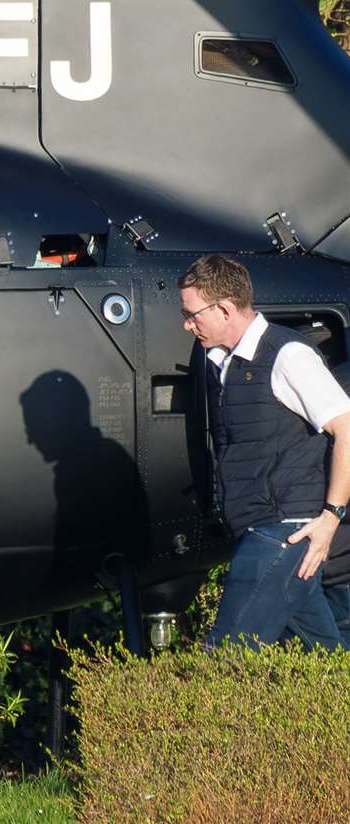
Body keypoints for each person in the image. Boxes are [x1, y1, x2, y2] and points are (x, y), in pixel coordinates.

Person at [181, 254, 350, 648]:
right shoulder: (223, 364)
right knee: (324, 661)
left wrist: (331, 518)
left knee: (228, 654)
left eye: (192, 314)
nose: (187, 324)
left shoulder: (288, 355)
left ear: (224, 308)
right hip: (261, 530)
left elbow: (347, 429)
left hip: (284, 532)